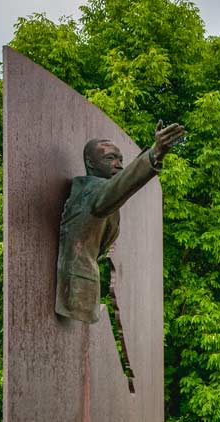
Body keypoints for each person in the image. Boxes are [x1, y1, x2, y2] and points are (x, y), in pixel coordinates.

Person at [55, 122, 185, 323]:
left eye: (121, 159)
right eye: (110, 158)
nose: (118, 164)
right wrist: (155, 153)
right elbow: (122, 185)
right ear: (90, 163)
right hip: (72, 287)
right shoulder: (91, 190)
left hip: (80, 288)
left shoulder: (105, 194)